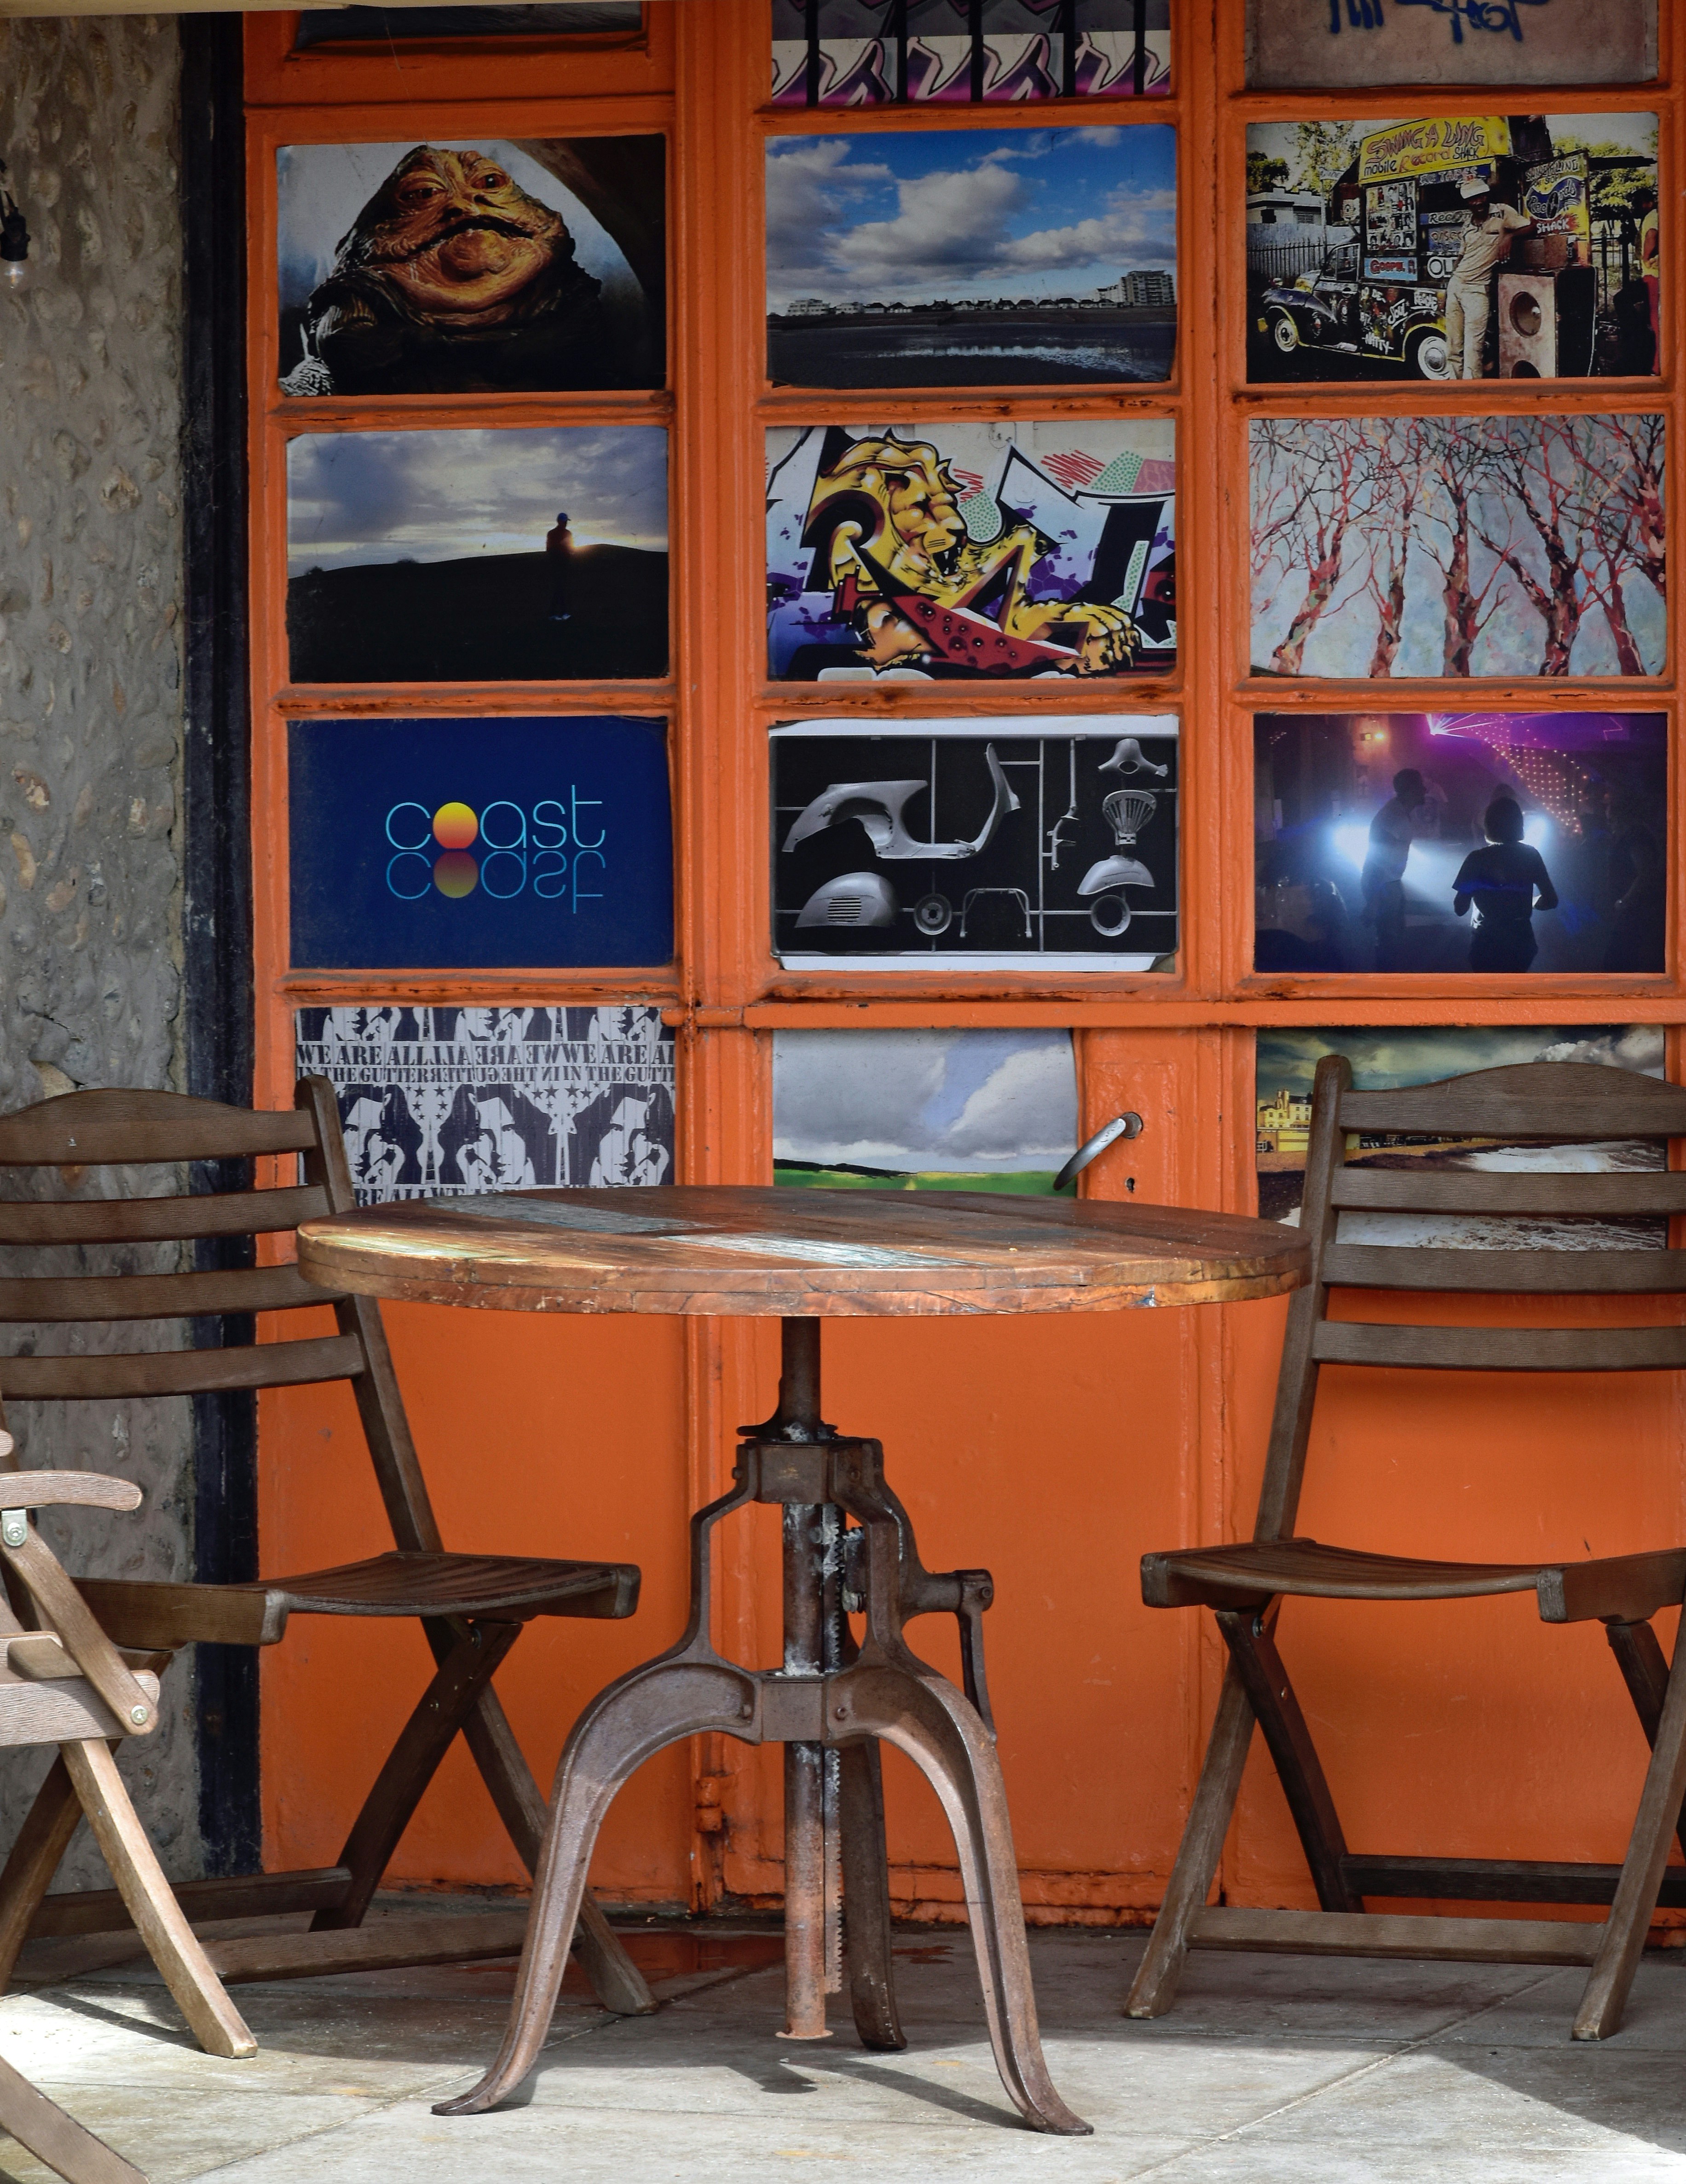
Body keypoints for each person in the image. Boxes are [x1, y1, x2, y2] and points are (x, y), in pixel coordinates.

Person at [1452, 796, 1558, 972]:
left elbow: (1460, 908)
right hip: (1521, 939)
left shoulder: (1477, 859)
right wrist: (1528, 902)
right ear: (1519, 824)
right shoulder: (1531, 855)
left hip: (1486, 941)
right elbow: (1551, 900)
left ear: (1488, 824)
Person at [1444, 175, 1534, 380]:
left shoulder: (1502, 212)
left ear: (1486, 195)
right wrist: (1453, 281)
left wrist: (1510, 237)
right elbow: (1461, 256)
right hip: (1456, 286)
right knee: (1453, 346)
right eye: (1472, 199)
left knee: (1473, 348)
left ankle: (1472, 396)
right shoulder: (1467, 225)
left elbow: (1531, 226)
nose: (1478, 202)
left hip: (1477, 291)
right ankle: (1453, 392)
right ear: (1468, 203)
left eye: (1480, 197)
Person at [1360, 768, 1428, 970]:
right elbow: (1379, 860)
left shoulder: (1398, 812)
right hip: (1382, 883)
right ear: (1410, 790)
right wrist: (1375, 901)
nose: (1425, 790)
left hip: (1388, 883)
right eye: (1420, 786)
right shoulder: (1393, 816)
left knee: (1392, 936)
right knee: (1389, 939)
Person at [1635, 185, 1660, 372]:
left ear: (1648, 203)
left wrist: (1646, 256)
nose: (1637, 207)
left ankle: (1657, 365)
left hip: (1653, 275)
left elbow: (1651, 235)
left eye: (1639, 203)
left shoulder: (1652, 216)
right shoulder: (1652, 216)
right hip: (1651, 275)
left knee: (1655, 320)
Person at [545, 509, 573, 622]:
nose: (566, 523)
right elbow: (570, 548)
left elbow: (549, 549)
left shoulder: (551, 533)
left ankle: (558, 613)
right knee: (560, 589)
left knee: (559, 589)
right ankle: (559, 613)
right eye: (565, 521)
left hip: (555, 564)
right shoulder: (567, 534)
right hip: (561, 564)